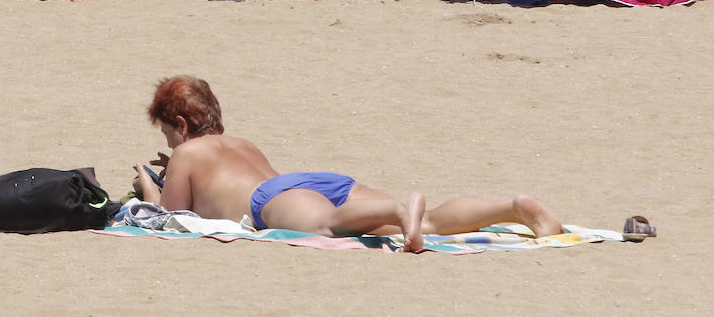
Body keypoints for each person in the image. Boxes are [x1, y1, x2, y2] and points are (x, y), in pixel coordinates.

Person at [133, 76, 565, 253]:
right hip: (310, 182)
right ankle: (512, 208)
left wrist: (149, 186)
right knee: (427, 222)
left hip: (269, 199)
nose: (170, 143)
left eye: (168, 133)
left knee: (330, 225)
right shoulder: (242, 143)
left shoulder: (186, 154)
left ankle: (400, 208)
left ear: (181, 125)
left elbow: (169, 217)